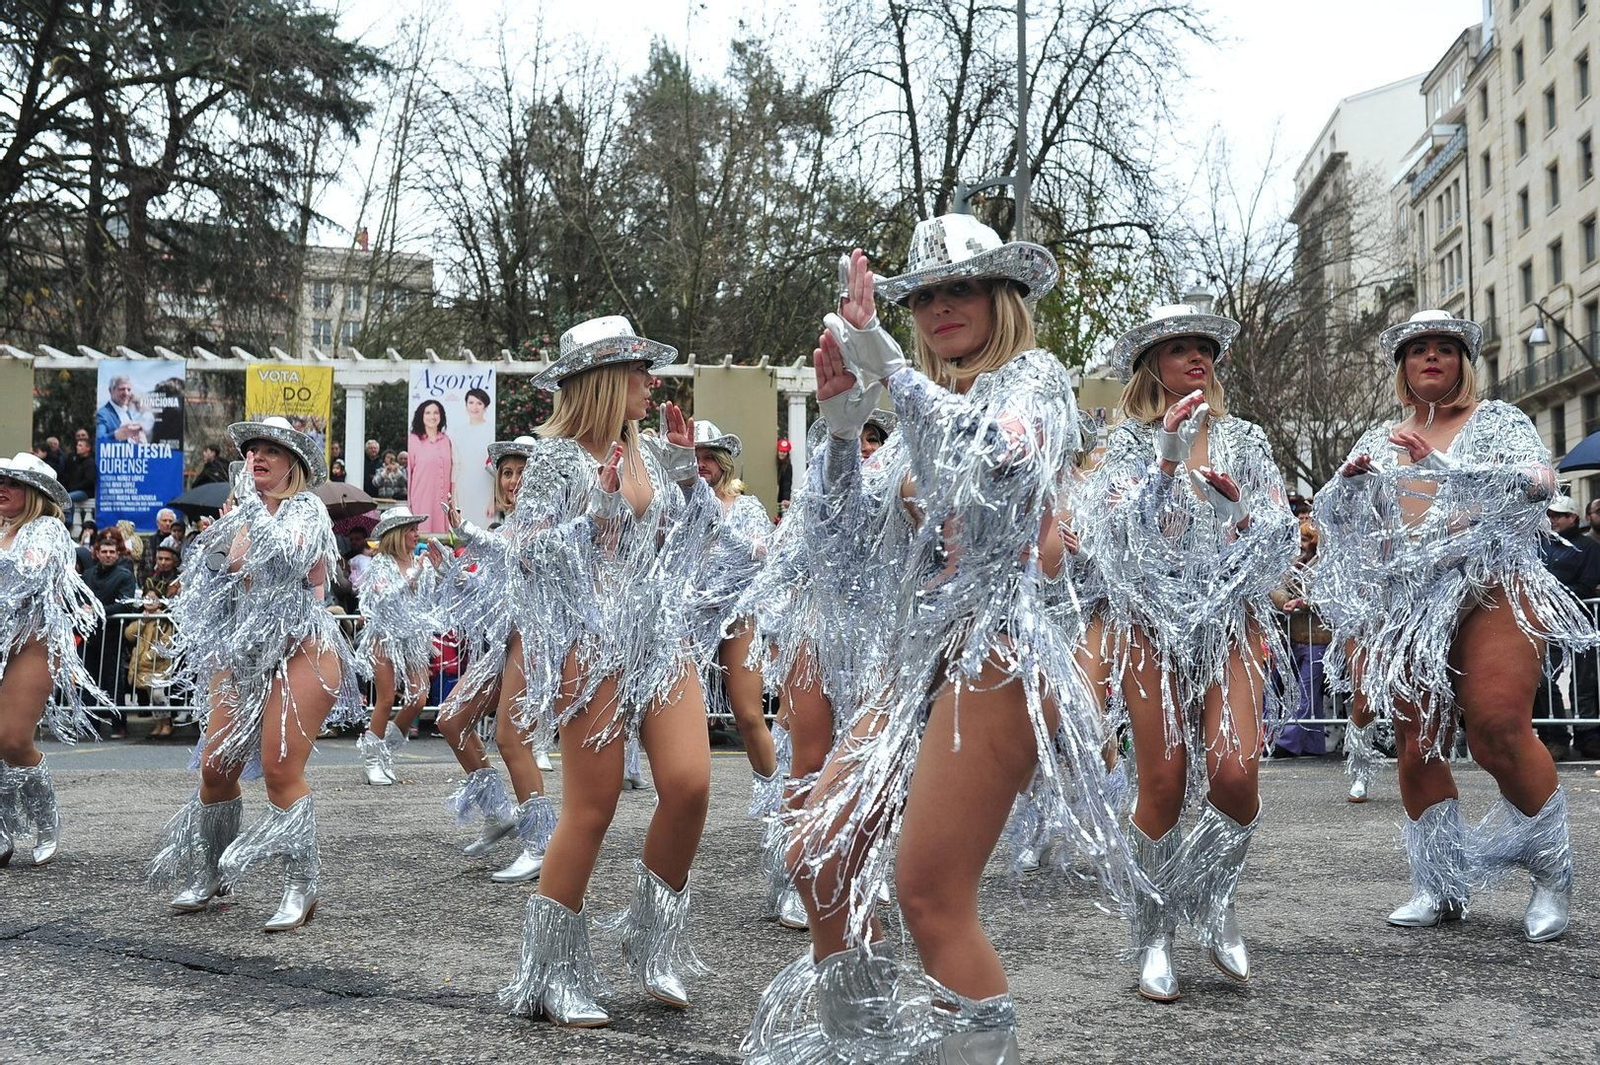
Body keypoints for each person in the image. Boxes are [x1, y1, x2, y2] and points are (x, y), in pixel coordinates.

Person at [751, 216, 1136, 1060]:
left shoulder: (1034, 379)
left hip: (999, 653)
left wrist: (888, 370)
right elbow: (841, 554)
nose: (939, 309)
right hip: (915, 662)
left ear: (1001, 295)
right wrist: (846, 431)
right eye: (923, 296)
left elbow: (994, 471)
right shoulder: (922, 405)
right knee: (820, 855)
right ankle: (864, 1048)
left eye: (959, 288)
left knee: (928, 893)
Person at [1313, 309, 1596, 944]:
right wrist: (1348, 491)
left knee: (1497, 727)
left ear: (1463, 363)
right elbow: (1336, 523)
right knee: (1418, 741)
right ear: (1403, 368)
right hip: (1409, 605)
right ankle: (1439, 886)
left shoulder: (1497, 421)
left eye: (1445, 349)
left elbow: (1539, 483)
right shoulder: (1377, 439)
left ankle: (1552, 872)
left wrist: (1450, 474)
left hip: (1494, 586)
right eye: (1419, 351)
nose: (1432, 358)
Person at [499, 315, 717, 1028]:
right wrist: (590, 516)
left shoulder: (649, 447)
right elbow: (523, 551)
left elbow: (690, 547)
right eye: (637, 371)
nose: (650, 383)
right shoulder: (555, 458)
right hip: (589, 645)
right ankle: (552, 972)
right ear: (602, 379)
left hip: (659, 637)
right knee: (591, 811)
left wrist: (691, 480)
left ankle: (651, 940)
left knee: (689, 785)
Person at [1083, 301, 1297, 1003]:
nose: (1195, 356)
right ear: (1152, 365)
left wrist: (1238, 515)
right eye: (1178, 348)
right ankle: (1153, 933)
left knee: (1235, 774)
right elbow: (1112, 540)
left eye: (1202, 346)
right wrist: (1167, 461)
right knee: (1165, 783)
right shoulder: (1121, 445)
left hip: (1231, 621)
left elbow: (1277, 542)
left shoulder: (1246, 439)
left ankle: (1213, 895)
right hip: (1148, 622)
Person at [147, 416, 360, 933]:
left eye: (270, 450)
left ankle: (300, 886)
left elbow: (288, 557)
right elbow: (214, 580)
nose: (257, 457)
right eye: (252, 450)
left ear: (294, 463)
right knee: (216, 768)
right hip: (242, 654)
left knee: (281, 768)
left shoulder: (307, 510)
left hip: (301, 648)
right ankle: (213, 872)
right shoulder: (240, 516)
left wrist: (248, 515)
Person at [435, 436, 557, 884]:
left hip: (538, 637)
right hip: (506, 639)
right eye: (507, 472)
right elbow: (486, 592)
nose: (513, 481)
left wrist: (469, 534)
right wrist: (450, 568)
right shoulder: (504, 528)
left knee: (510, 739)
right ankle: (499, 813)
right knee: (451, 718)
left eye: (522, 471)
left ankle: (540, 843)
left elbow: (525, 558)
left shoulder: (549, 521)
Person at [0, 453, 111, 867]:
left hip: (33, 642)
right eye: (1, 480)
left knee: (11, 739)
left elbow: (25, 578)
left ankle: (45, 816)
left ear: (34, 494)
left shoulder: (48, 531)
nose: (3, 487)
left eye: (13, 482)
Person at [685, 420, 779, 846]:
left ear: (723, 464)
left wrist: (717, 524)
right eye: (695, 457)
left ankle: (777, 803)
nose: (701, 464)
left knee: (747, 714)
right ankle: (681, 800)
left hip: (738, 616)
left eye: (708, 458)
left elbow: (764, 554)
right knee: (680, 717)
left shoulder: (746, 505)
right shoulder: (680, 504)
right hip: (688, 620)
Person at [352, 506, 444, 786]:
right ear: (397, 534)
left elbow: (431, 597)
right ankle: (371, 761)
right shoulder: (380, 564)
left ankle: (385, 750)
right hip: (383, 636)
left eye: (416, 528)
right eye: (411, 529)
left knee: (419, 696)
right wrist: (413, 576)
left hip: (412, 637)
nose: (417, 534)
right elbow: (384, 598)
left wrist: (437, 571)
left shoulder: (421, 562)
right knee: (387, 698)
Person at [1532, 495, 1600, 759]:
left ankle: (1587, 737)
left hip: (1581, 622)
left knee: (1582, 681)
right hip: (1549, 622)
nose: (1553, 520)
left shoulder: (1589, 547)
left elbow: (1586, 585)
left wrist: (1554, 595)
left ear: (1573, 517)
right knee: (1545, 679)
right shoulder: (1544, 545)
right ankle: (1555, 737)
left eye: (1559, 515)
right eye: (1551, 515)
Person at [1269, 522, 1331, 758]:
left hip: (1320, 637)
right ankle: (1313, 744)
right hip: (1296, 636)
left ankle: (1287, 741)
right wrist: (1284, 601)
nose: (1301, 545)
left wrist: (1303, 603)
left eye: (1305, 540)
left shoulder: (1326, 563)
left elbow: (1328, 594)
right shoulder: (1293, 563)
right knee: (1308, 694)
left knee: (1306, 692)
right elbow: (1276, 587)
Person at [81, 530, 139, 735]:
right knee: (88, 680)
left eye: (111, 551)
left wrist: (96, 611)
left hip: (113, 636)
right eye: (104, 551)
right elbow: (80, 599)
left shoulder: (125, 576)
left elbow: (126, 605)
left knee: (113, 680)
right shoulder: (88, 574)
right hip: (89, 636)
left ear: (117, 554)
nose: (107, 554)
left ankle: (119, 724)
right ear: (97, 552)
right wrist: (83, 609)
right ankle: (90, 725)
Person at [125, 590, 177, 740]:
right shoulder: (141, 618)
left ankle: (167, 723)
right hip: (142, 665)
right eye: (146, 598)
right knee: (151, 696)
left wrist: (151, 655)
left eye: (153, 599)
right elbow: (129, 634)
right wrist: (142, 622)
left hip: (158, 664)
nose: (149, 601)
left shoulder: (164, 619)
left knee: (158, 694)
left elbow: (167, 641)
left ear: (159, 602)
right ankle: (158, 724)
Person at [407, 400, 454, 534]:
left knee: (442, 542)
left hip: (443, 502)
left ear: (441, 416)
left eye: (436, 412)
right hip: (421, 499)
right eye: (427, 413)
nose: (432, 416)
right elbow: (409, 474)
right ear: (421, 416)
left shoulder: (446, 440)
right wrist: (409, 504)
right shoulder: (413, 440)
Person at [96, 374, 149, 443]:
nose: (126, 393)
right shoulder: (102, 414)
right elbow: (99, 440)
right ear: (111, 391)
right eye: (122, 389)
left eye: (129, 390)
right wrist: (116, 435)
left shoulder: (127, 412)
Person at [139, 509, 177, 578]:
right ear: (158, 523)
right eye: (164, 520)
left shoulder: (178, 542)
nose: (168, 523)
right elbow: (142, 565)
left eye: (170, 521)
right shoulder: (150, 541)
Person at [61, 437, 95, 509]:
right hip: (75, 490)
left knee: (66, 499)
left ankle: (69, 519)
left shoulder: (90, 462)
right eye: (77, 445)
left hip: (85, 492)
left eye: (80, 445)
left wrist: (75, 487)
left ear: (88, 448)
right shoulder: (76, 461)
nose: (77, 447)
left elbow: (89, 480)